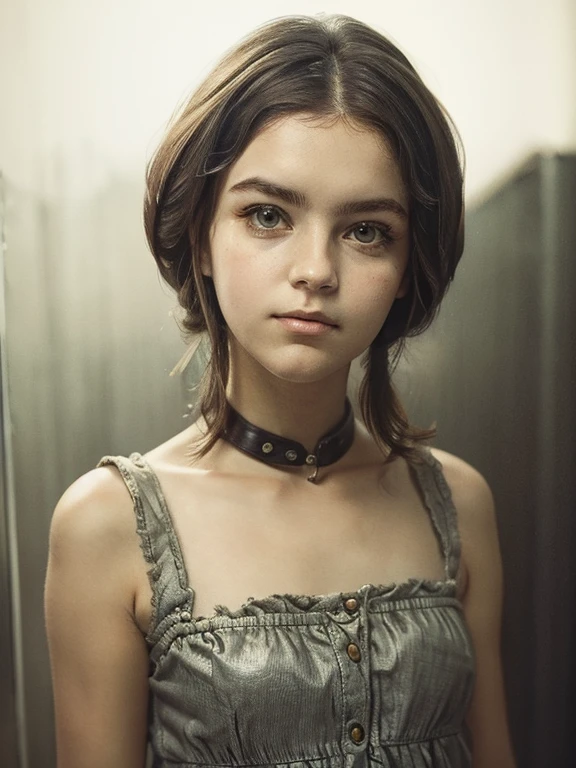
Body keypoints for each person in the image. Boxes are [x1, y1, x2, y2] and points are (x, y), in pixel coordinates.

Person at [44, 13, 517, 768]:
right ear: (200, 233)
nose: (316, 270)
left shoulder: (458, 504)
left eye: (366, 230)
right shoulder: (108, 526)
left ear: (407, 268)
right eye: (268, 215)